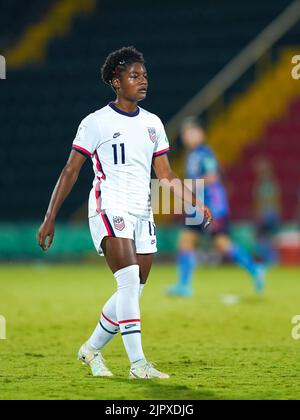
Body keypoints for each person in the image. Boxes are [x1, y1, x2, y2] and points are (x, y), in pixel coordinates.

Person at [37, 47, 212, 379]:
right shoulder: (96, 122)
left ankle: (90, 350)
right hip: (108, 206)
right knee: (129, 281)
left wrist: (193, 200)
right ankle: (138, 365)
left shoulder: (152, 123)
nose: (142, 80)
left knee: (132, 290)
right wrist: (50, 216)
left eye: (144, 75)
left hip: (142, 213)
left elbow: (166, 175)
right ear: (116, 82)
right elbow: (70, 170)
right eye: (134, 76)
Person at [167, 117, 265, 298]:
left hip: (212, 206)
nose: (188, 136)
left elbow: (212, 177)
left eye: (192, 131)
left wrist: (190, 186)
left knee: (222, 244)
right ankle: (183, 286)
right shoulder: (192, 155)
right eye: (186, 133)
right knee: (186, 240)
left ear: (201, 133)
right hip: (197, 207)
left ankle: (254, 268)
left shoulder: (205, 153)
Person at [253, 157, 281, 265]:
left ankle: (269, 260)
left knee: (262, 237)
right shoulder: (272, 183)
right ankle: (272, 259)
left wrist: (259, 214)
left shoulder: (264, 184)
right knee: (269, 237)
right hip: (272, 214)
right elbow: (276, 200)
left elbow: (264, 201)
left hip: (266, 214)